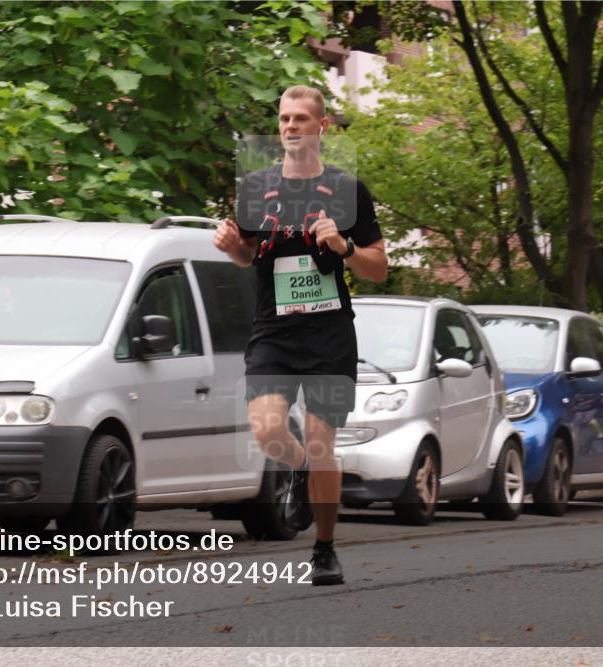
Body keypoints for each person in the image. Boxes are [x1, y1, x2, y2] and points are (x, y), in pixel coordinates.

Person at [213, 85, 387, 585]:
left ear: (322, 127)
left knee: (320, 441)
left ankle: (325, 550)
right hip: (273, 330)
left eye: (301, 119)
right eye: (284, 119)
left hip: (329, 333)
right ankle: (302, 471)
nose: (290, 127)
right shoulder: (255, 188)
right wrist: (231, 246)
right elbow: (247, 254)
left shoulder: (349, 190)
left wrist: (345, 246)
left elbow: (379, 268)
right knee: (269, 431)